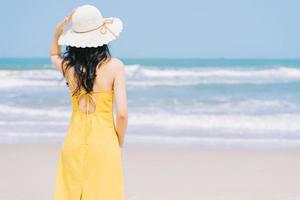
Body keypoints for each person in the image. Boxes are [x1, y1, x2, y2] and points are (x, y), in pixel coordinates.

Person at [50, 4, 127, 200]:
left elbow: (53, 55)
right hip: (104, 142)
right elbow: (122, 114)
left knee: (71, 193)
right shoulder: (115, 66)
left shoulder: (69, 68)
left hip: (73, 142)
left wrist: (58, 30)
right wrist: (119, 140)